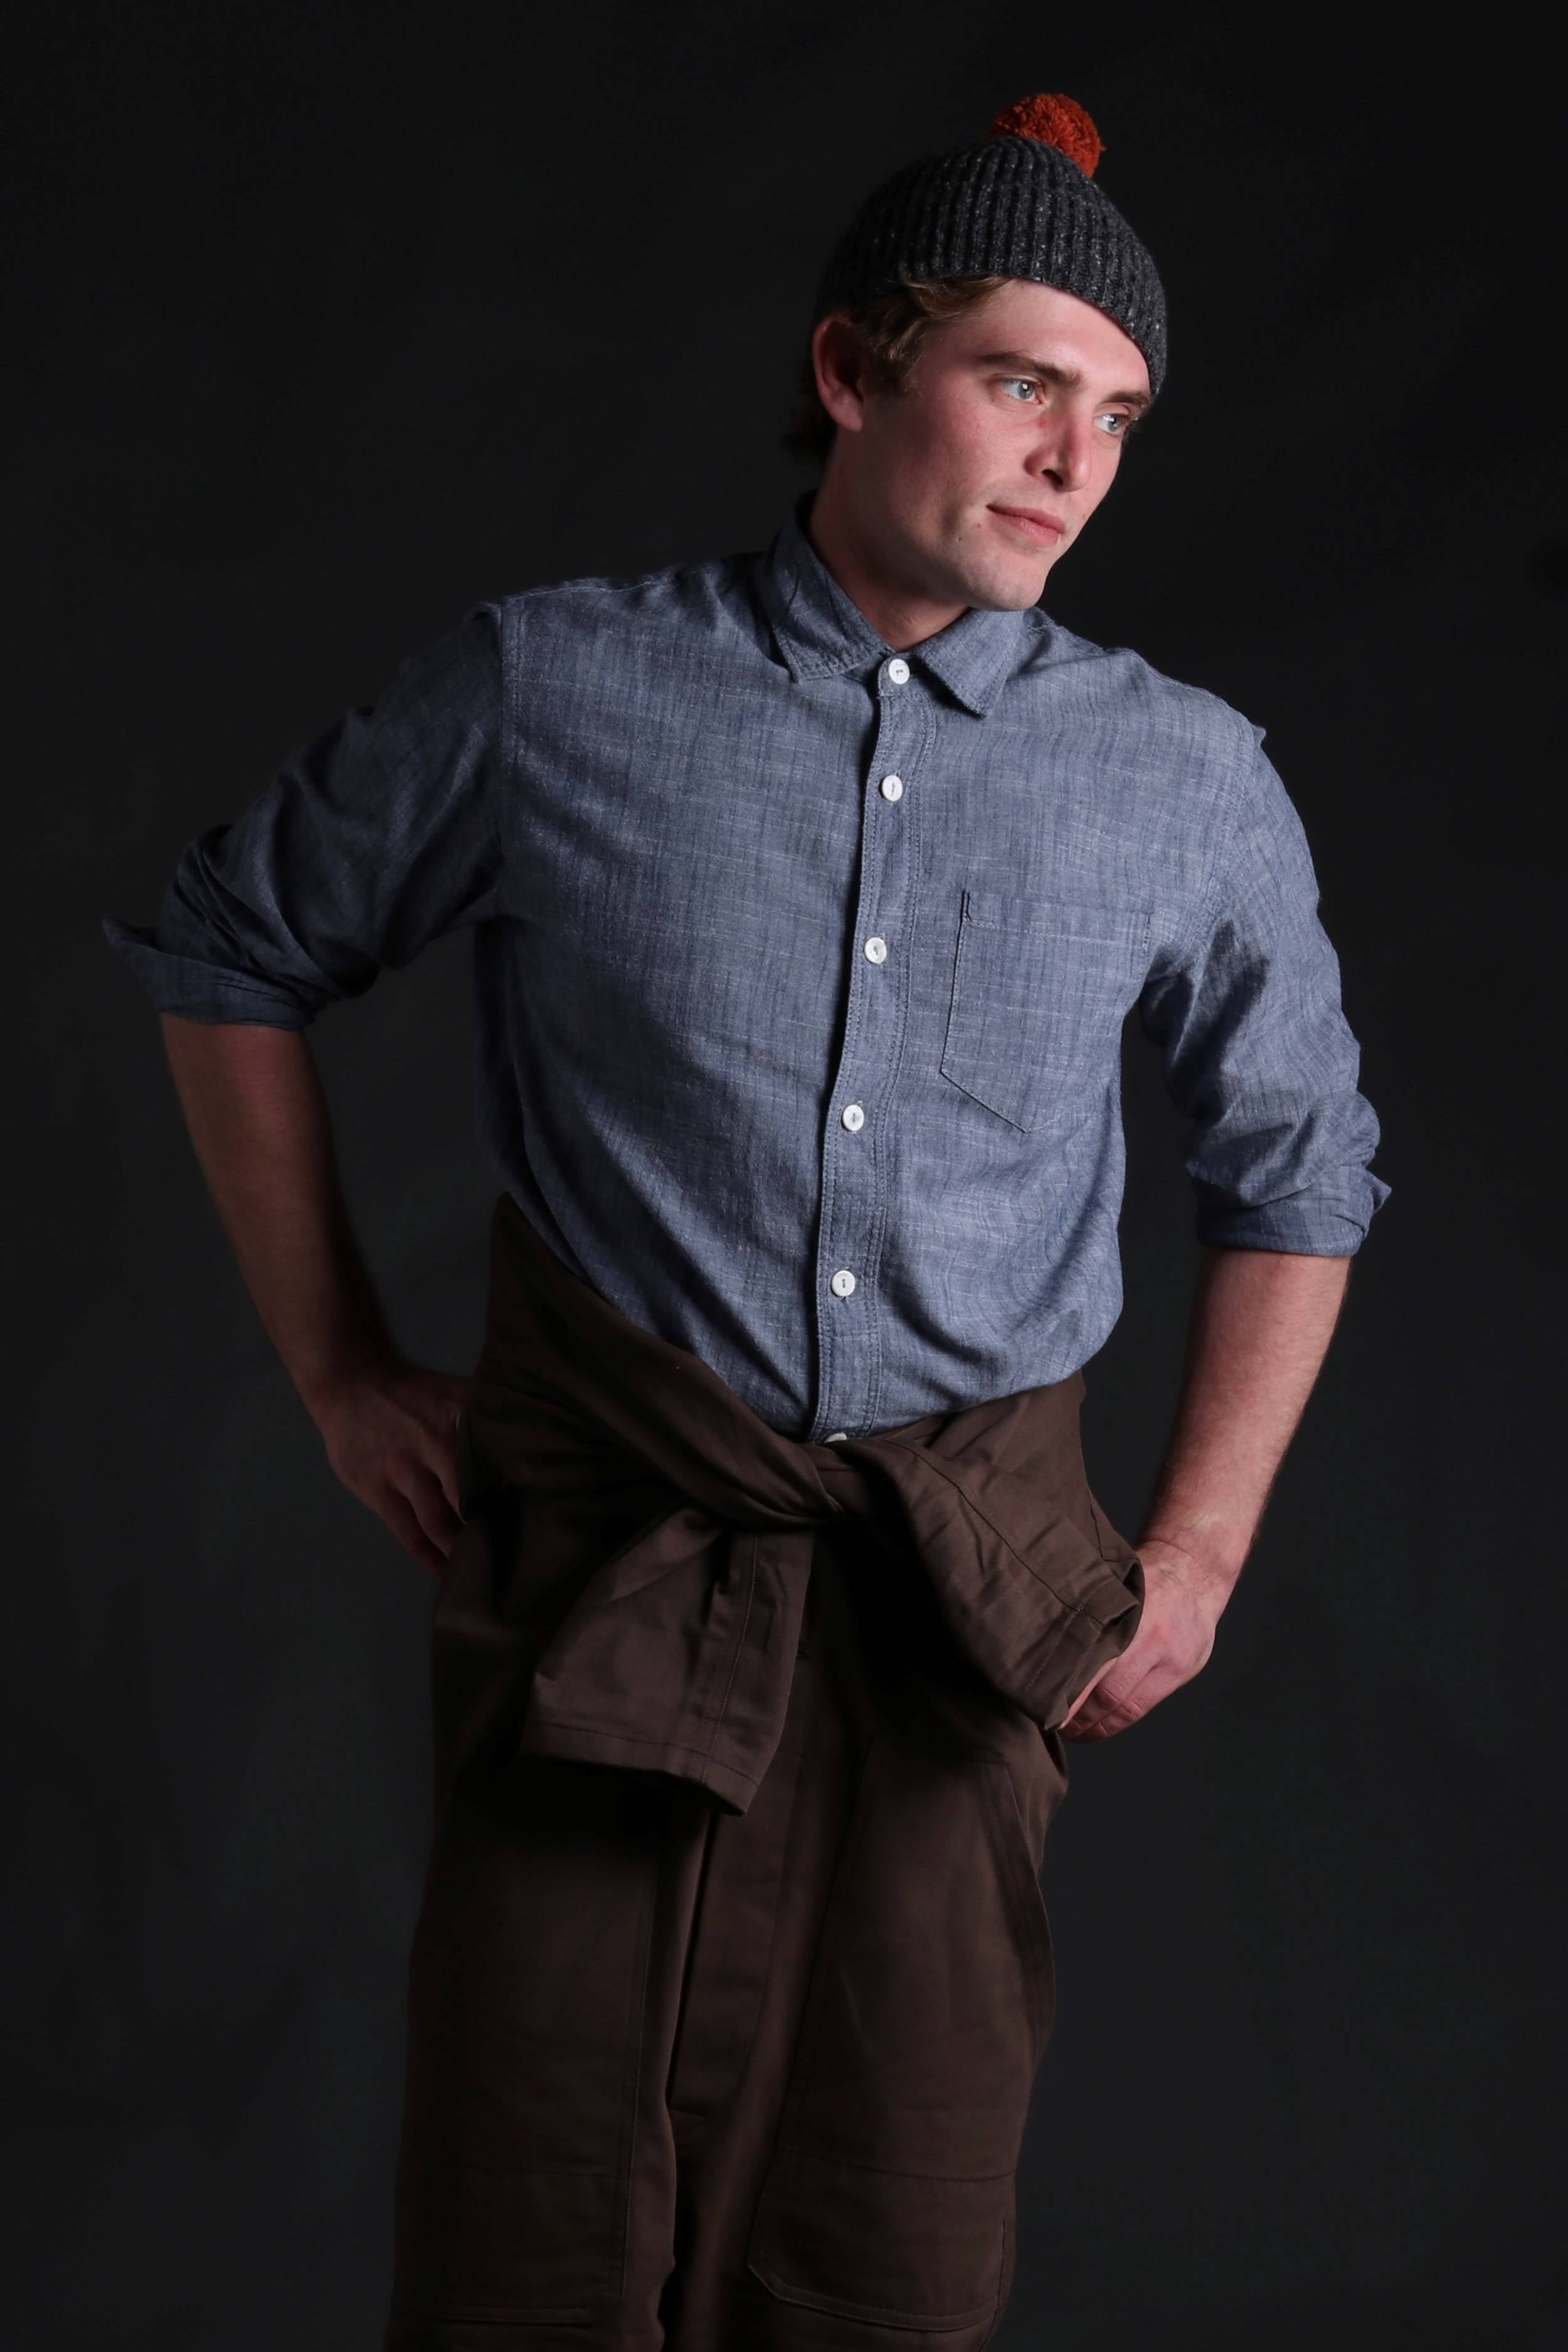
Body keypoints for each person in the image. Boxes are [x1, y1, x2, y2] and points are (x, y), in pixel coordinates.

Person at [105, 89, 1386, 2352]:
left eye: (1116, 416)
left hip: (964, 1607)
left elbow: (1297, 1163)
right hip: (599, 1562)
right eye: (1018, 381)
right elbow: (234, 948)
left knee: (885, 2242)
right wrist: (334, 1369)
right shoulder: (551, 683)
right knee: (530, 2228)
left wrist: (1190, 1555)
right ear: (850, 370)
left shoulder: (1184, 774)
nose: (1070, 462)